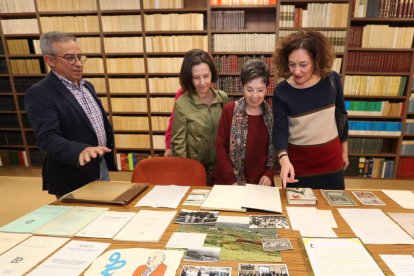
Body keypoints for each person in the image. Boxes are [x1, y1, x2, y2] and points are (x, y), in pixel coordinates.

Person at [24, 31, 115, 198]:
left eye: (80, 57)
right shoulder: (39, 93)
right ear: (50, 60)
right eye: (70, 58)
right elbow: (47, 138)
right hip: (72, 173)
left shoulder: (88, 86)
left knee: (106, 215)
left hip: (100, 165)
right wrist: (80, 150)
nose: (78, 63)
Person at [272, 30, 349, 190]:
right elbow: (280, 129)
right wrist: (283, 159)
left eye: (303, 65)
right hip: (298, 166)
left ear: (316, 60)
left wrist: (344, 151)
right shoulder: (282, 91)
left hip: (332, 162)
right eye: (292, 64)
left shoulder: (332, 80)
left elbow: (341, 116)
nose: (297, 71)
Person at [212, 59, 276, 186]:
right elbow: (220, 147)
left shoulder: (272, 115)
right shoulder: (230, 110)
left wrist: (269, 174)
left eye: (260, 90)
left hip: (260, 185)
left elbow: (275, 150)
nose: (255, 95)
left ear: (266, 89)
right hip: (229, 182)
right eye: (250, 89)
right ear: (242, 87)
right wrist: (232, 180)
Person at [171, 49, 228, 184]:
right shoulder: (182, 104)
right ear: (189, 78)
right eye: (196, 78)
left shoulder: (222, 98)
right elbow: (178, 145)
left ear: (212, 74)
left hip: (219, 168)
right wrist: (185, 171)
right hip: (195, 169)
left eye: (206, 76)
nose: (202, 82)